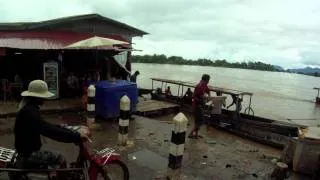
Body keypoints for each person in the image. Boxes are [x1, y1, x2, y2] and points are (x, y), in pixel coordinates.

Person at [13, 80, 88, 178]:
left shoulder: (29, 109)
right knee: (60, 159)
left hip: (26, 150)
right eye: (42, 97)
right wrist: (75, 137)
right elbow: (49, 131)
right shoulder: (30, 112)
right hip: (28, 154)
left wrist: (62, 127)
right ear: (36, 97)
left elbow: (45, 125)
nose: (44, 100)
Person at [189, 74, 211, 139]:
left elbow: (208, 90)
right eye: (208, 80)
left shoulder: (204, 85)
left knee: (197, 121)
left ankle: (195, 135)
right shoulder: (199, 86)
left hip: (200, 105)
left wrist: (209, 95)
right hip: (196, 106)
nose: (208, 82)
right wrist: (201, 100)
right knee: (201, 121)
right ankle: (191, 133)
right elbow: (193, 97)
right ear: (205, 80)